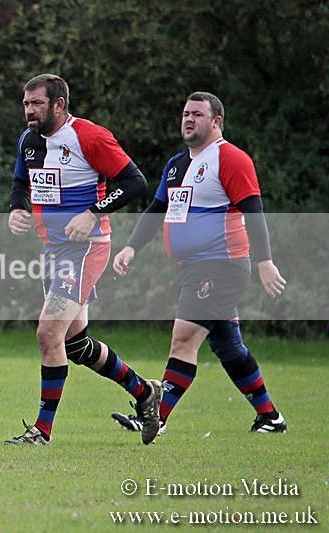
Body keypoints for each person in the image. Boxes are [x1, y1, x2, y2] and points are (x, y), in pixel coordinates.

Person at [111, 91, 287, 435]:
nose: (188, 119)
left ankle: (154, 417)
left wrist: (264, 262)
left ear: (216, 121)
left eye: (197, 114)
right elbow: (156, 211)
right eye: (185, 114)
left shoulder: (231, 159)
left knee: (184, 339)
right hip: (193, 268)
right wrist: (131, 247)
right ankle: (270, 417)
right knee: (228, 346)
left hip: (221, 266)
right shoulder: (177, 164)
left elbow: (254, 212)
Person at [5, 73, 162, 446]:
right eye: (26, 103)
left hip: (86, 247)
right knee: (75, 345)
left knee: (48, 332)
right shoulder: (29, 141)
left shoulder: (89, 136)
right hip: (53, 250)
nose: (29, 111)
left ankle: (41, 432)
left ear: (59, 104)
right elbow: (20, 183)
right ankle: (144, 393)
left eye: (37, 103)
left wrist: (93, 211)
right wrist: (17, 208)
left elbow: (135, 182)